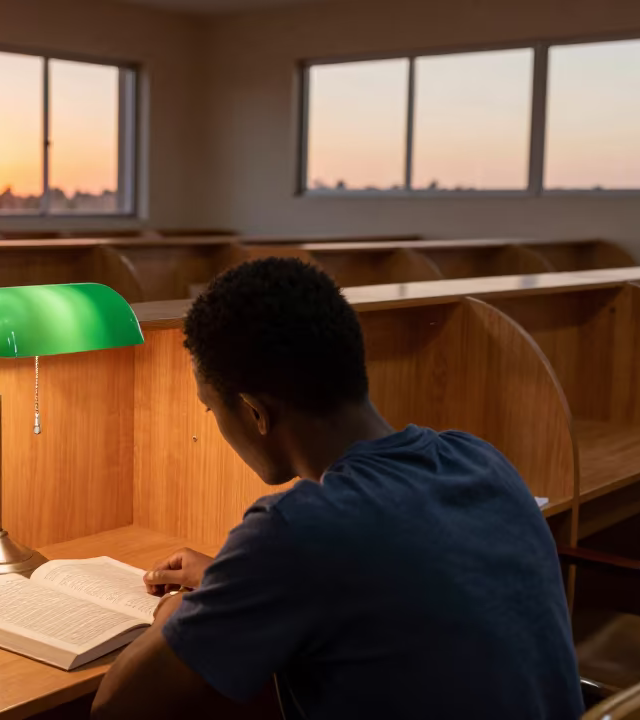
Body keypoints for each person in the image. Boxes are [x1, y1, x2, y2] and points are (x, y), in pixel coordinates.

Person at [92, 258, 582, 720]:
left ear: (256, 413)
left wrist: (176, 612)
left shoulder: (296, 528)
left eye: (210, 409)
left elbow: (116, 705)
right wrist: (233, 579)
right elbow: (388, 570)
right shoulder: (480, 460)